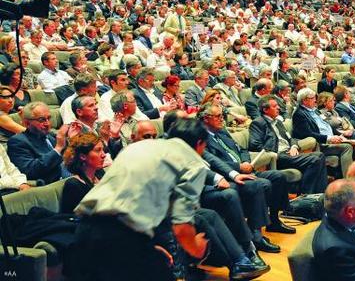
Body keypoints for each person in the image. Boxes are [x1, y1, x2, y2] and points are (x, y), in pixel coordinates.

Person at [72, 119, 210, 281]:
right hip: (122, 238)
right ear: (200, 143)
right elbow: (181, 227)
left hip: (85, 230)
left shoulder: (138, 147)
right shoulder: (194, 164)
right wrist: (196, 247)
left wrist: (147, 245)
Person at [199, 103, 294, 236]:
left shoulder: (222, 131)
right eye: (218, 116)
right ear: (205, 119)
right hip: (226, 176)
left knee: (278, 177)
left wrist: (245, 162)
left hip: (244, 170)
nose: (222, 119)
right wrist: (238, 167)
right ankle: (255, 233)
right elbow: (213, 163)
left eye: (222, 115)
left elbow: (241, 149)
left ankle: (274, 221)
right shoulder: (201, 138)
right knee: (262, 184)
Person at [248, 95, 328, 194]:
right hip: (277, 156)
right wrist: (273, 153)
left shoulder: (278, 122)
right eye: (274, 106)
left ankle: (320, 194)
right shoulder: (258, 123)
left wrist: (294, 146)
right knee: (314, 159)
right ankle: (306, 194)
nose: (278, 108)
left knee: (320, 155)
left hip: (288, 152)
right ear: (265, 109)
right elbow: (255, 145)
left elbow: (291, 138)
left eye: (277, 105)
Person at [8, 102, 67, 184]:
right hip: (51, 184)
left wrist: (71, 139)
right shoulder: (17, 142)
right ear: (27, 123)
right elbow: (31, 171)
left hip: (67, 176)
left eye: (49, 118)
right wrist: (58, 148)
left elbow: (67, 157)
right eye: (42, 120)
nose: (48, 123)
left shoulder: (50, 136)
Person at [61, 133, 106, 213]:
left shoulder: (99, 173)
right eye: (98, 150)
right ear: (83, 156)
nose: (104, 155)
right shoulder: (73, 184)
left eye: (103, 150)